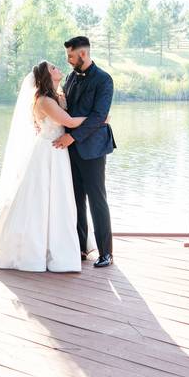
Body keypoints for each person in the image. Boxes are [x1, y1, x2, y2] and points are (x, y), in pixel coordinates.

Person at [0, 60, 92, 272]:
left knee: (57, 200)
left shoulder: (57, 96)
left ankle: (56, 243)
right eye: (53, 68)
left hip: (57, 152)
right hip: (48, 152)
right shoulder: (45, 101)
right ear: (47, 77)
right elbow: (70, 122)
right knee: (41, 200)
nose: (57, 69)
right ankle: (35, 249)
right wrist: (99, 119)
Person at [53, 36, 116, 268]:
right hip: (69, 150)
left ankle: (106, 253)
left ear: (83, 54)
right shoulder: (70, 77)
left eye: (71, 56)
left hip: (92, 149)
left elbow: (99, 117)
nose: (68, 60)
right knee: (76, 199)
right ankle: (79, 248)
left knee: (97, 199)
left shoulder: (104, 80)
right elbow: (67, 110)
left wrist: (72, 136)